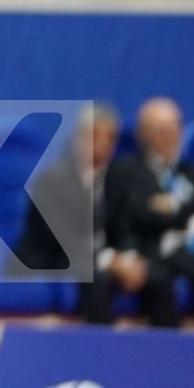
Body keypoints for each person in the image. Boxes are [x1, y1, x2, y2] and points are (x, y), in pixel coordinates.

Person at [16, 103, 145, 325]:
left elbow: (125, 228)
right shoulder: (52, 181)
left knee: (158, 278)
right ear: (79, 138)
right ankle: (100, 352)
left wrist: (130, 258)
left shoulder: (117, 179)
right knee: (98, 277)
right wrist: (111, 260)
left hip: (100, 261)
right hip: (53, 258)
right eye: (96, 136)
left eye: (110, 138)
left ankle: (167, 353)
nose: (104, 143)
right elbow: (64, 241)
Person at [107, 97, 194, 328]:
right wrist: (193, 215)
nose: (170, 137)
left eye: (175, 129)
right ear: (144, 135)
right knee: (178, 280)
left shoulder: (192, 172)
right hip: (153, 252)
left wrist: (176, 206)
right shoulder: (127, 171)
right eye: (161, 131)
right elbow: (139, 213)